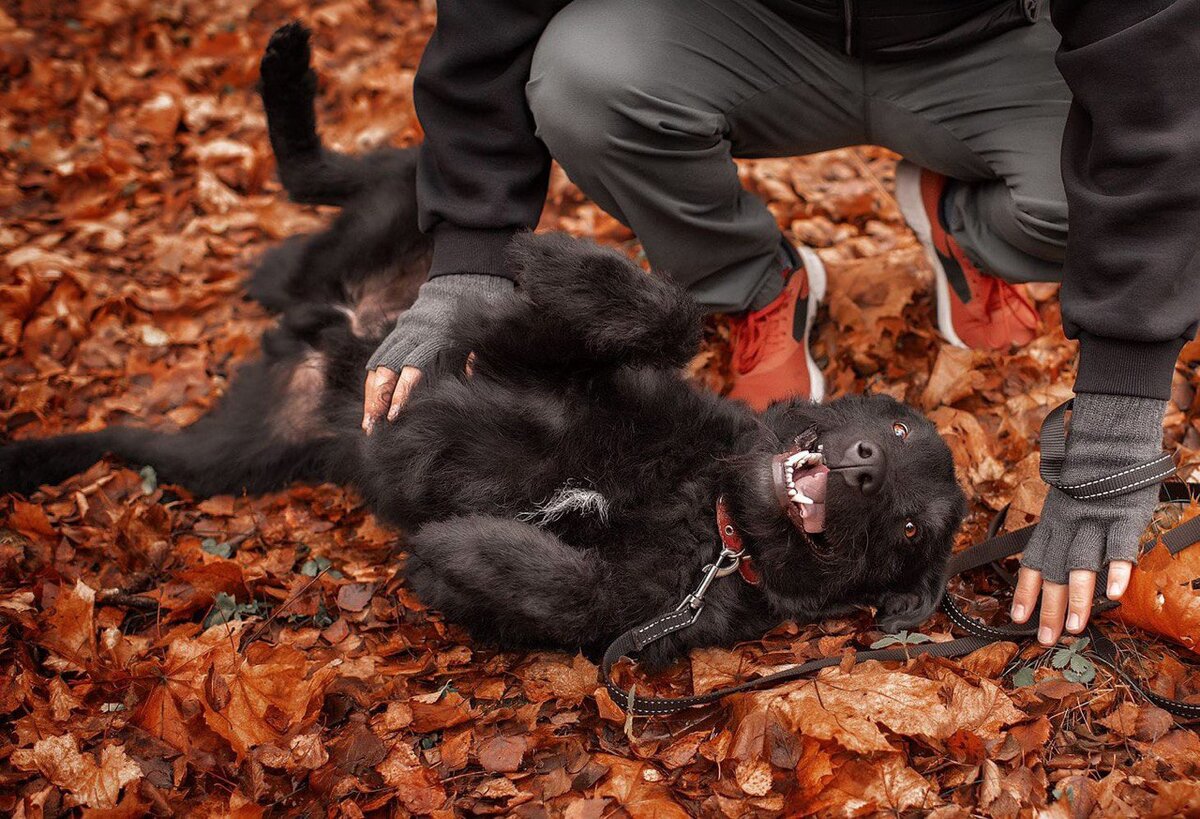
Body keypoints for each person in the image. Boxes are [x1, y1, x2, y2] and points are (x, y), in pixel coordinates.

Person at [361, 1, 1200, 646]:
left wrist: (1117, 426)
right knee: (584, 75)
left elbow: (1156, 71)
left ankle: (969, 224)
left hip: (991, 38)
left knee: (1131, 157)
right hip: (751, 26)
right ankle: (754, 284)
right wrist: (471, 263)